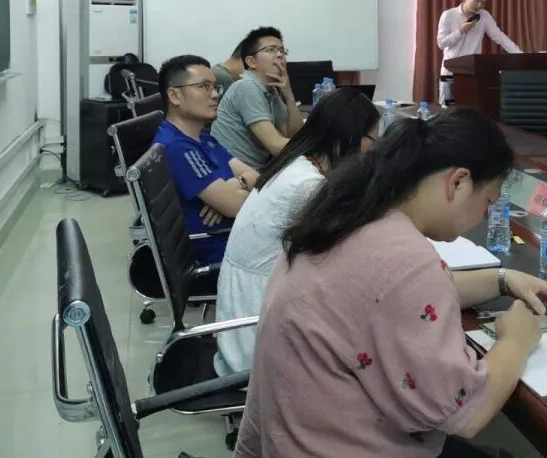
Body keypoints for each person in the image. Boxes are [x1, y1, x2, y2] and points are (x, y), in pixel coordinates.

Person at [235, 108, 547, 458]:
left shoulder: (351, 210)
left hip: (293, 439)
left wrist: (503, 279)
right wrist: (516, 340)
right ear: (458, 182)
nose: (484, 216)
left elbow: (386, 298)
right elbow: (466, 412)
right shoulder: (405, 260)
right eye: (487, 203)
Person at [214, 87, 381, 375]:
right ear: (349, 137)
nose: (373, 151)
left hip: (249, 310)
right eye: (373, 140)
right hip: (256, 337)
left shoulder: (296, 161)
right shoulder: (306, 186)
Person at [153, 55, 259, 265]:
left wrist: (233, 185)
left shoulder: (203, 137)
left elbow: (256, 175)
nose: (215, 94)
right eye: (204, 86)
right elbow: (235, 205)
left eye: (215, 87)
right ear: (174, 95)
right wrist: (229, 197)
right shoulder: (177, 147)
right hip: (224, 251)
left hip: (239, 235)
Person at [212, 27, 305, 169]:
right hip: (235, 174)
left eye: (282, 50)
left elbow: (293, 134)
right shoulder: (246, 87)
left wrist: (289, 95)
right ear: (251, 62)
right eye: (271, 50)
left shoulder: (271, 89)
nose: (279, 55)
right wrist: (317, 144)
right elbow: (276, 146)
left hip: (257, 169)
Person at [437, 0, 522, 106]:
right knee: (448, 110)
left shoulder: (484, 16)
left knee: (471, 110)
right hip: (450, 73)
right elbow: (441, 43)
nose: (479, 6)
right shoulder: (448, 15)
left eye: (483, 3)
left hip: (472, 73)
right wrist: (461, 31)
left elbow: (500, 37)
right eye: (477, 1)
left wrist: (520, 55)